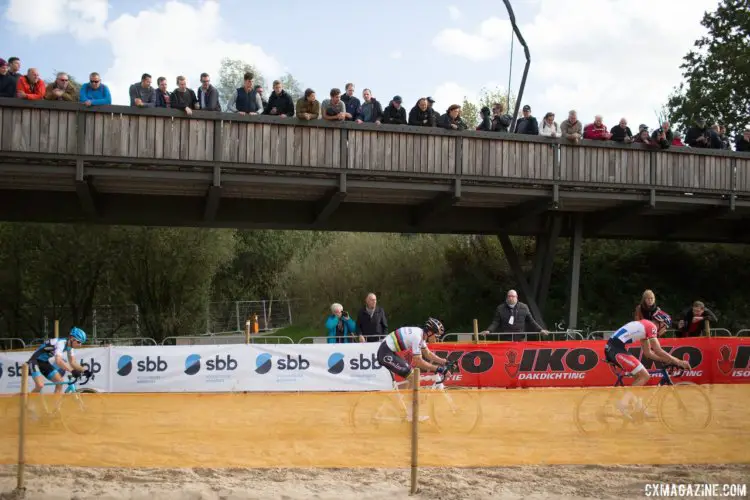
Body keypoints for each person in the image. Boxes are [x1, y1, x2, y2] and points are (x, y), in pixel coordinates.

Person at [604, 312, 690, 417]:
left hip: (615, 348)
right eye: (665, 327)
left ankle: (639, 410)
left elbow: (648, 353)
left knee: (639, 378)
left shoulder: (646, 326)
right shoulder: (652, 326)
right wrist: (678, 361)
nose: (665, 330)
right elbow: (658, 350)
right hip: (615, 349)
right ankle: (623, 404)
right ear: (661, 323)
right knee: (645, 376)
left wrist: (666, 360)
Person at [377, 318, 448, 421]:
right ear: (430, 332)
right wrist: (438, 369)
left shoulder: (420, 335)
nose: (436, 339)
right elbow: (418, 361)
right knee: (414, 377)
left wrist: (443, 361)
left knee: (411, 377)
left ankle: (401, 403)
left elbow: (427, 354)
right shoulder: (417, 337)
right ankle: (411, 415)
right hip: (385, 353)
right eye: (436, 336)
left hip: (389, 351)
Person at [27, 327, 90, 394]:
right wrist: (72, 371)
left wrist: (85, 371)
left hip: (43, 362)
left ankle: (55, 403)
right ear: (72, 338)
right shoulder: (61, 343)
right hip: (34, 361)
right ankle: (26, 402)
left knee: (60, 382)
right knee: (40, 385)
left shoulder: (69, 347)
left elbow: (73, 362)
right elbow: (58, 361)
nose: (80, 345)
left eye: (81, 343)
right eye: (79, 342)